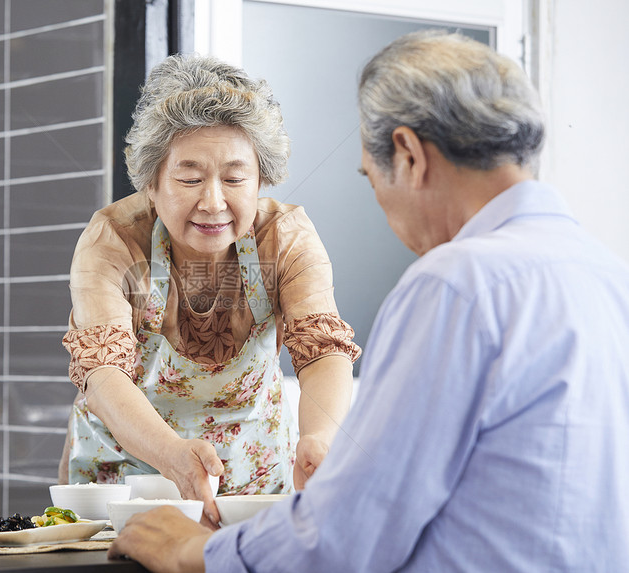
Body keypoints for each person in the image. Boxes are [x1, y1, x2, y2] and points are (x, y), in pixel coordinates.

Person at [107, 30, 629, 572]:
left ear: (406, 153)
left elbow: (348, 532)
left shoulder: (455, 285)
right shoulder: (610, 277)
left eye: (369, 175)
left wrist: (194, 552)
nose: (379, 200)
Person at [60, 53, 361, 525]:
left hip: (255, 488)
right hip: (126, 483)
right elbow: (101, 374)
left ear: (261, 180)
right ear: (151, 184)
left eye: (235, 178)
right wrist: (173, 456)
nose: (214, 201)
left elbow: (322, 350)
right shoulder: (113, 241)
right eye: (190, 178)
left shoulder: (285, 238)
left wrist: (320, 437)